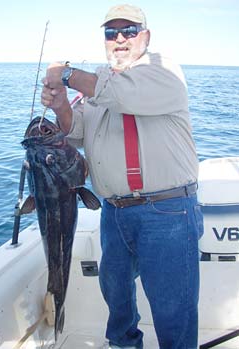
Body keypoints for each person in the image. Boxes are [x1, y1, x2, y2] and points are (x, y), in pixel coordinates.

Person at [41, 4, 204, 349]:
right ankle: (124, 345)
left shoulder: (163, 71)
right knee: (116, 297)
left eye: (128, 31)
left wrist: (65, 73)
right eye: (111, 33)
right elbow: (77, 131)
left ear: (146, 36)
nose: (119, 39)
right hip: (113, 212)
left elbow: (120, 95)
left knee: (173, 308)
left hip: (167, 212)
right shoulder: (98, 82)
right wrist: (61, 108)